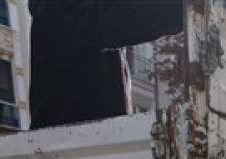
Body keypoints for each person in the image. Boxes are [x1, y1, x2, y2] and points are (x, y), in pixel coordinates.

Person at [27, 0, 184, 129]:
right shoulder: (58, 7)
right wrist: (180, 6)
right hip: (66, 146)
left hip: (89, 142)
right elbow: (107, 19)